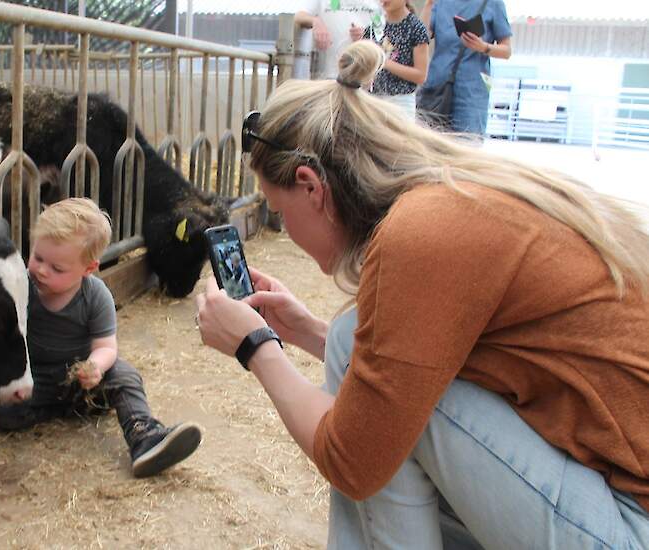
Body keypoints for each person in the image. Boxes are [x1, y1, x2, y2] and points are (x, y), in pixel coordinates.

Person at [195, 40, 649, 548]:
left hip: (628, 524)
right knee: (347, 338)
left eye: (278, 211)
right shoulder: (451, 199)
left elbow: (353, 460)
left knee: (367, 392)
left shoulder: (424, 232)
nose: (284, 227)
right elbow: (409, 369)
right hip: (601, 491)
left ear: (310, 185)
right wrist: (302, 331)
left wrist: (255, 347)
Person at [0, 198, 202, 478]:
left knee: (125, 374)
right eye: (37, 257)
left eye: (57, 269)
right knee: (4, 415)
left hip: (81, 378)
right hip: (35, 378)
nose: (41, 270)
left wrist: (95, 366)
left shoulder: (96, 297)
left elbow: (107, 346)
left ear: (88, 268)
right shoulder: (19, 287)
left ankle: (144, 434)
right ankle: (58, 409)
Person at [420, 0, 512, 136]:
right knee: (430, 145)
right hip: (436, 87)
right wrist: (428, 5)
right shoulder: (439, 3)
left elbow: (506, 51)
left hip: (472, 93)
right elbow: (420, 38)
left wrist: (483, 47)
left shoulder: (493, 3)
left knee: (467, 145)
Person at [350, 0, 429, 119]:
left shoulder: (416, 28)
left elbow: (420, 75)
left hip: (401, 103)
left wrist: (384, 62)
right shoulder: (374, 26)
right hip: (373, 100)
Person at [295, 0, 382, 80]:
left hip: (363, 77)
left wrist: (364, 39)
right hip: (327, 75)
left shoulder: (377, 3)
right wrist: (315, 21)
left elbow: (385, 38)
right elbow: (298, 16)